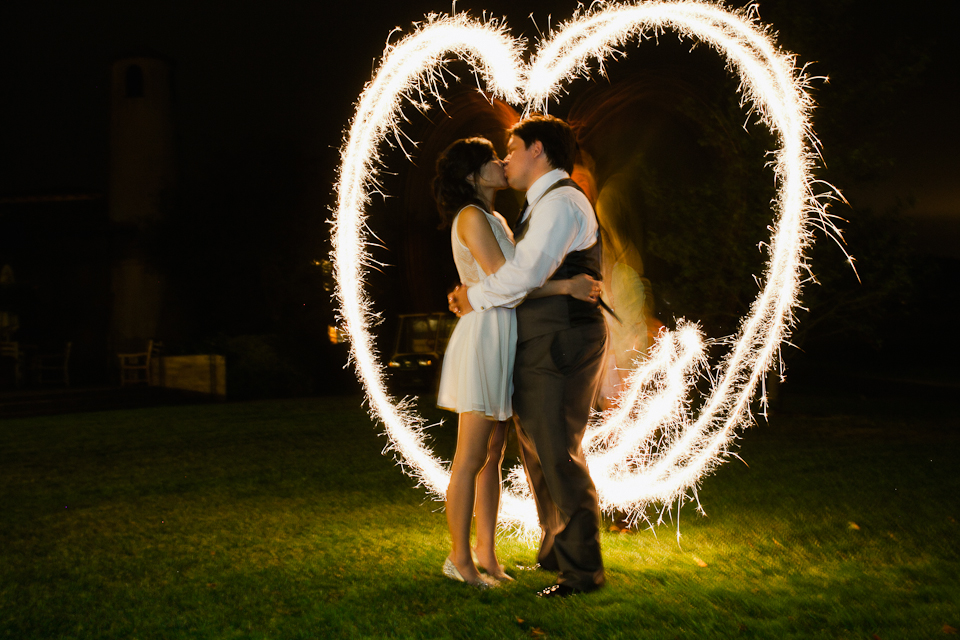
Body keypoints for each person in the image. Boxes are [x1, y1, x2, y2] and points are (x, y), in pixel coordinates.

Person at [448, 115, 608, 597]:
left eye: (513, 149)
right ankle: (556, 550)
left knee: (556, 449)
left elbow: (520, 277)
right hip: (539, 338)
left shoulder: (559, 203)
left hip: (559, 339)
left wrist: (471, 297)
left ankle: (581, 572)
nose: (507, 158)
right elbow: (520, 273)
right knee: (540, 449)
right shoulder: (534, 207)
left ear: (537, 150)